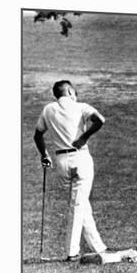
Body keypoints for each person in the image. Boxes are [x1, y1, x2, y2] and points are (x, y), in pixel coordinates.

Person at [33, 80, 107, 261]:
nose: (76, 95)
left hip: (61, 162)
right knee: (78, 205)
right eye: (74, 92)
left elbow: (38, 135)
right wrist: (84, 137)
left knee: (81, 205)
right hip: (80, 157)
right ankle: (71, 251)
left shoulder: (48, 109)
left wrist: (44, 155)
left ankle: (99, 247)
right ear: (69, 91)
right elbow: (100, 120)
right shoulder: (81, 106)